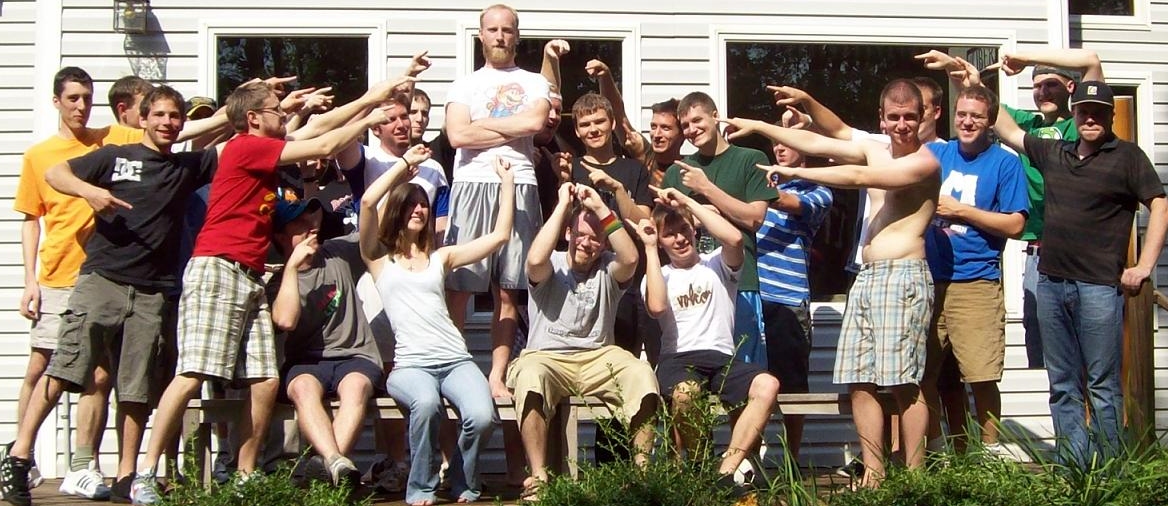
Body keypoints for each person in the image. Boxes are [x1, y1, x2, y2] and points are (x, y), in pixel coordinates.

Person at [129, 76, 404, 504]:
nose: (285, 113)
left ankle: (245, 475)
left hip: (250, 275)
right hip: (217, 267)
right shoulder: (245, 146)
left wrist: (372, 97)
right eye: (277, 110)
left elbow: (320, 126)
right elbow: (324, 144)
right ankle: (145, 473)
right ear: (254, 118)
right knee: (192, 373)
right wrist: (371, 117)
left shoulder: (266, 146)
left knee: (264, 379)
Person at [1, 86, 216, 506]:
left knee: (135, 388)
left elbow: (246, 138)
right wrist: (90, 191)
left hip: (152, 291)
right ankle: (19, 456)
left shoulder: (188, 167)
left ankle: (125, 475)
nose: (167, 123)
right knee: (64, 368)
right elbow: (55, 174)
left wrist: (270, 106)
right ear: (143, 118)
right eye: (159, 115)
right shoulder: (115, 156)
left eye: (174, 116)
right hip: (102, 279)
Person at [726, 79, 941, 486]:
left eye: (910, 117)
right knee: (859, 380)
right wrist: (758, 125)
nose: (902, 125)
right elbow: (821, 140)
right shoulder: (876, 148)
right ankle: (874, 473)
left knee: (903, 383)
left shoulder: (925, 162)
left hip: (904, 275)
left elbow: (859, 176)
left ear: (924, 118)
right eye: (894, 117)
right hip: (868, 277)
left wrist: (793, 170)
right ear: (882, 118)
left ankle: (915, 479)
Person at [991, 58, 1168, 466]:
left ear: (1109, 116)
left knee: (1103, 386)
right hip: (1051, 283)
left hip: (1099, 288)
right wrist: (967, 79)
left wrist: (1144, 266)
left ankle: (1109, 471)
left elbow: (1159, 205)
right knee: (1062, 384)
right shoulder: (1055, 152)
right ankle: (1075, 468)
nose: (1090, 118)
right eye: (1084, 111)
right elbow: (1007, 129)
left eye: (1098, 112)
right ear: (1074, 113)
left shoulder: (1127, 156)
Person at [8, 66, 144, 502]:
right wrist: (29, 281)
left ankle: (82, 466)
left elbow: (178, 132)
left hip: (101, 276)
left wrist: (235, 106)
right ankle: (21, 458)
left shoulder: (110, 139)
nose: (81, 106)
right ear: (57, 101)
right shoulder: (40, 156)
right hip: (57, 276)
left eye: (87, 98)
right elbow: (31, 220)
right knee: (43, 367)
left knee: (98, 375)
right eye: (73, 98)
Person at [359, 146, 507, 505]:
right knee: (426, 405)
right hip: (411, 366)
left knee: (482, 416)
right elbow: (367, 202)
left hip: (455, 359)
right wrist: (404, 166)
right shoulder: (379, 260)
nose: (418, 210)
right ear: (397, 211)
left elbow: (499, 236)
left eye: (423, 205)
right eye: (410, 205)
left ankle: (460, 478)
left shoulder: (442, 257)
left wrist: (507, 182)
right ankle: (421, 488)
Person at [508, 182, 657, 500]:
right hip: (548, 357)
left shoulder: (608, 269)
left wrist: (602, 209)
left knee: (641, 373)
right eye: (579, 234)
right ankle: (539, 477)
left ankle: (643, 474)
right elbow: (534, 259)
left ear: (603, 244)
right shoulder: (552, 265)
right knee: (529, 375)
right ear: (568, 234)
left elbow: (631, 258)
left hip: (597, 357)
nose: (586, 243)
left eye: (594, 238)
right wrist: (563, 205)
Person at [635, 186, 780, 488]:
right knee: (684, 394)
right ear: (661, 241)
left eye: (683, 229)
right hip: (678, 358)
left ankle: (725, 470)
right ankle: (700, 465)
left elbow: (735, 238)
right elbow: (657, 307)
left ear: (695, 229)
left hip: (721, 357)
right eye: (669, 234)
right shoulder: (658, 274)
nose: (679, 238)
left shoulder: (716, 264)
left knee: (768, 384)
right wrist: (648, 247)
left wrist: (687, 202)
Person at [919, 84, 1028, 455]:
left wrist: (961, 211)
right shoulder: (935, 153)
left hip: (976, 281)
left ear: (990, 121)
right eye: (962, 114)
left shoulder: (1005, 163)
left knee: (981, 375)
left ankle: (988, 455)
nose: (967, 122)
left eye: (976, 117)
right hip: (928, 280)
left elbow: (1015, 224)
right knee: (922, 373)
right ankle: (936, 452)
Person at [268, 197, 383, 487]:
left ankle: (326, 467)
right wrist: (292, 269)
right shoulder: (278, 282)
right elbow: (285, 321)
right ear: (280, 236)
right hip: (306, 361)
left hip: (356, 355)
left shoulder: (337, 252)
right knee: (302, 388)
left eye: (312, 219)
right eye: (300, 223)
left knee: (356, 388)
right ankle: (334, 465)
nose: (311, 226)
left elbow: (377, 229)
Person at [661, 92, 775, 367]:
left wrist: (705, 188)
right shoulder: (677, 171)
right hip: (689, 290)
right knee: (695, 375)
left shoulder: (750, 159)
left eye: (697, 120)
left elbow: (754, 219)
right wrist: (697, 217)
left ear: (715, 117)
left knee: (745, 373)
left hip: (740, 283)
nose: (691, 130)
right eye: (685, 125)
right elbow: (666, 226)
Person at [755, 112, 833, 464]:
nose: (780, 148)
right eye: (775, 142)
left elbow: (788, 203)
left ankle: (791, 462)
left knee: (793, 386)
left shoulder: (819, 191)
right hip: (753, 297)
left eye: (788, 141)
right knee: (749, 382)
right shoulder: (763, 181)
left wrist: (749, 183)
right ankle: (748, 461)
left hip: (788, 299)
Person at [585, 58, 683, 185]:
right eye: (653, 127)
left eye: (665, 128)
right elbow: (618, 116)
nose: (657, 135)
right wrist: (605, 76)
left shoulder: (689, 169)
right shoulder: (644, 155)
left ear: (682, 133)